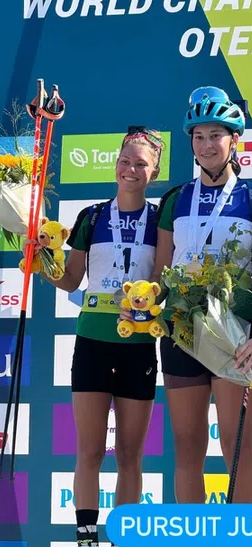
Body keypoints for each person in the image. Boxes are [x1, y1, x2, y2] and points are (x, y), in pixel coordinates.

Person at [26, 127, 165, 547]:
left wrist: (148, 303)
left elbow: (162, 283)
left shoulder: (161, 221)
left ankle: (125, 537)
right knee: (89, 450)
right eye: (125, 161)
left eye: (140, 164)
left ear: (154, 171)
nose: (130, 169)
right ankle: (86, 537)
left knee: (130, 455)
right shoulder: (92, 216)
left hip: (138, 346)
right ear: (115, 164)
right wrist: (42, 261)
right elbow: (71, 280)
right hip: (91, 343)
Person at [149, 86, 252, 503]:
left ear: (234, 140)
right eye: (199, 136)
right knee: (188, 449)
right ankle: (194, 532)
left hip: (235, 336)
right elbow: (159, 275)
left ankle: (243, 532)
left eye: (216, 136)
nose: (206, 145)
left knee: (236, 446)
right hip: (182, 334)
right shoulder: (174, 199)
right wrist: (140, 303)